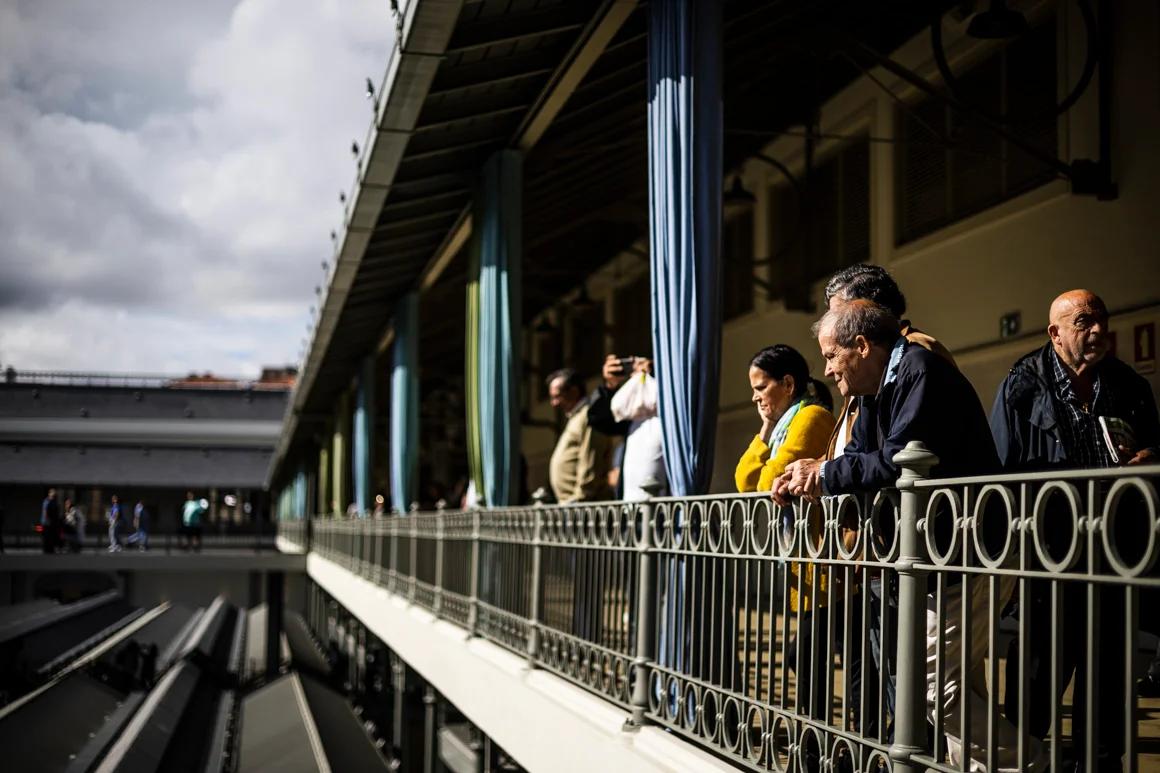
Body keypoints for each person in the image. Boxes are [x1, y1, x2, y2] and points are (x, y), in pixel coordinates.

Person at [774, 300, 1042, 772]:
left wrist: (827, 476)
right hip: (943, 554)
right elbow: (856, 457)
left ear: (861, 345)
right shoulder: (873, 389)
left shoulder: (920, 371)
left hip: (970, 547)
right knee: (959, 683)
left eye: (831, 355)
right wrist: (814, 472)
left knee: (936, 685)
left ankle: (1029, 765)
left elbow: (900, 460)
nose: (827, 368)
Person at [990, 289, 1159, 771]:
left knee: (1108, 670)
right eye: (1084, 322)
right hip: (1050, 553)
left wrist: (1149, 457)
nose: (1098, 330)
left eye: (1102, 320)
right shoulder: (1023, 384)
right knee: (1039, 668)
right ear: (1055, 332)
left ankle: (1100, 760)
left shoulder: (1127, 384)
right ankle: (1027, 756)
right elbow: (1000, 469)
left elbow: (1154, 442)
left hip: (1114, 550)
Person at [733, 344, 837, 726]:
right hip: (806, 561)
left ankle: (820, 738)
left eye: (761, 387)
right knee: (819, 655)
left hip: (826, 561)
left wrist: (772, 432)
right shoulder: (784, 425)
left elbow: (764, 483)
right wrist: (765, 428)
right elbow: (743, 479)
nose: (755, 397)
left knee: (807, 655)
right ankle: (822, 737)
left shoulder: (810, 418)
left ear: (787, 383)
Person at [822, 264, 955, 459]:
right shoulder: (862, 365)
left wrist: (828, 472)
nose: (834, 324)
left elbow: (901, 454)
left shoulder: (920, 355)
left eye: (838, 315)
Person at [588, 355, 668, 500]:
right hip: (632, 499)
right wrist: (610, 385)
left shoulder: (669, 409)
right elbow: (599, 420)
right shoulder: (634, 417)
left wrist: (655, 370)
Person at [546, 368, 611, 503]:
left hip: (583, 507)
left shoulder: (588, 415)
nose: (554, 403)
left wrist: (581, 496)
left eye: (557, 396)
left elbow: (591, 458)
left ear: (574, 391)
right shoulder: (576, 417)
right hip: (573, 506)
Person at [40, 488, 60, 553]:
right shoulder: (47, 502)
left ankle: (49, 549)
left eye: (53, 493)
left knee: (49, 537)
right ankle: (47, 549)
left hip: (49, 523)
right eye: (51, 493)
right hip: (48, 522)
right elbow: (46, 512)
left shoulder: (51, 502)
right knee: (48, 536)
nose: (52, 494)